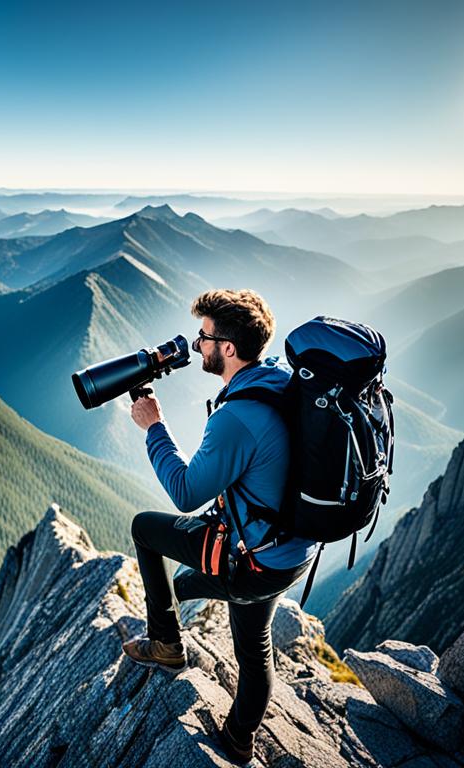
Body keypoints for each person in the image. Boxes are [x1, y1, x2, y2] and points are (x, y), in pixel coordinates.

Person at [121, 288, 319, 764]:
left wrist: (154, 427)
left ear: (227, 349)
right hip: (293, 549)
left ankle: (167, 644)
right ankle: (238, 736)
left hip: (256, 560)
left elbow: (187, 492)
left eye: (204, 337)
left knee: (145, 529)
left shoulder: (237, 418)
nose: (197, 345)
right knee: (232, 624)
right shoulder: (276, 380)